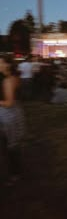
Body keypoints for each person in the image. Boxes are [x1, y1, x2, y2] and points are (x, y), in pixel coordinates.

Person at [0, 55, 25, 184]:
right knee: (10, 144)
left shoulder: (8, 80)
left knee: (10, 145)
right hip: (12, 113)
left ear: (6, 65)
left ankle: (15, 173)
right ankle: (15, 171)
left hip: (8, 115)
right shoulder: (10, 78)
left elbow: (9, 102)